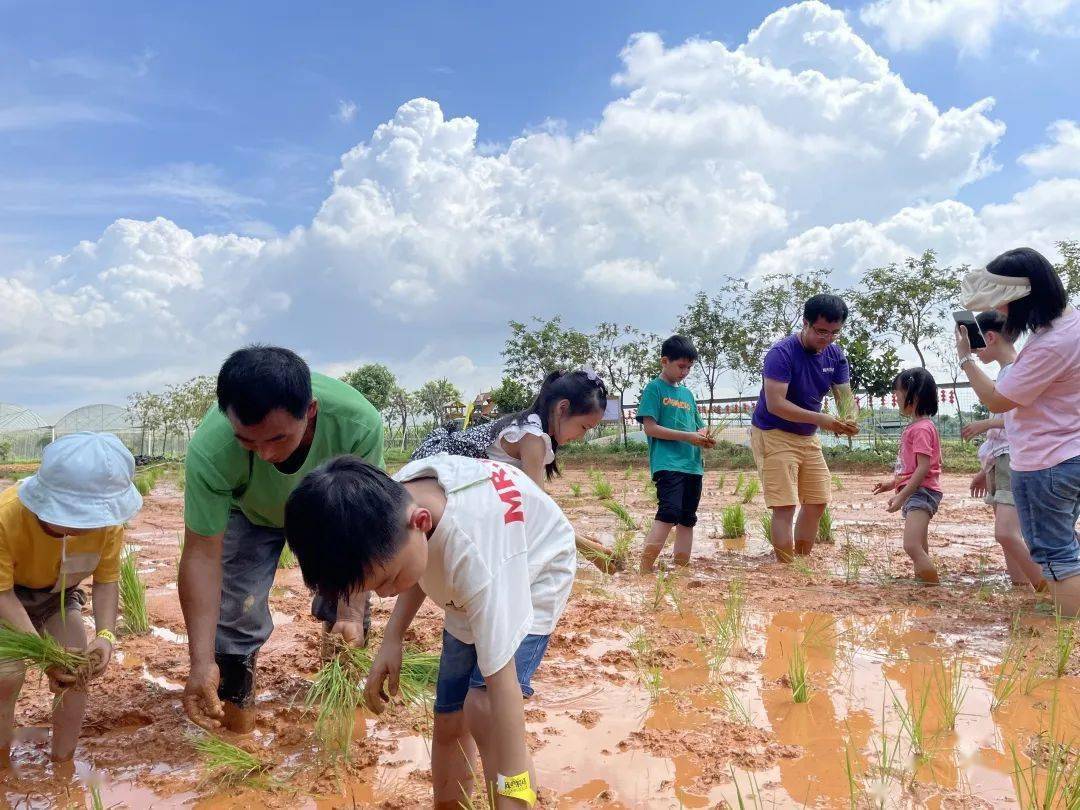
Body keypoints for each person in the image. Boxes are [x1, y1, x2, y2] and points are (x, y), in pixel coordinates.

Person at [284, 454, 575, 809]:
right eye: (374, 588)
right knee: (449, 717)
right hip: (468, 586)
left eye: (388, 581)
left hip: (533, 572)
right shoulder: (394, 503)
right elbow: (419, 558)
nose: (387, 594)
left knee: (482, 708)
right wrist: (392, 638)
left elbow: (504, 688)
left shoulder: (477, 556)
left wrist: (514, 786)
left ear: (420, 522)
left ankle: (515, 801)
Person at [179, 346, 384, 733]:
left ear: (310, 412)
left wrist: (350, 613)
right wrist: (200, 661)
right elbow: (202, 557)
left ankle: (337, 710)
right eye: (249, 443)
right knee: (237, 609)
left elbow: (361, 529)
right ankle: (236, 723)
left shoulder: (358, 425)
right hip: (250, 513)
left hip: (330, 509)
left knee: (346, 609)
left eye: (277, 438)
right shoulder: (211, 448)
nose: (267, 454)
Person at [0, 432, 142, 765]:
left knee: (76, 671)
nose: (84, 527)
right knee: (6, 675)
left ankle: (63, 768)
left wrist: (106, 637)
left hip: (57, 597)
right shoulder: (7, 517)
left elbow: (106, 581)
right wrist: (43, 651)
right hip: (6, 597)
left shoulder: (108, 525)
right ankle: (2, 766)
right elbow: (2, 593)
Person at [956, 247, 1080, 615]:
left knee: (1057, 555)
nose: (1003, 312)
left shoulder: (1050, 345)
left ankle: (1066, 642)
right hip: (1068, 453)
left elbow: (997, 401)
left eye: (1006, 304)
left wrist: (965, 358)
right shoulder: (1069, 325)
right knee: (1065, 545)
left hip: (1047, 463)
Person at [412, 369, 616, 570]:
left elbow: (540, 503)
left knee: (431, 552)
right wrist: (588, 550)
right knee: (432, 549)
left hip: (456, 480)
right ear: (562, 408)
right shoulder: (532, 438)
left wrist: (576, 536)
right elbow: (540, 512)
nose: (582, 436)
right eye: (584, 427)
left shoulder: (535, 429)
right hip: (438, 472)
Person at [750, 294, 860, 562]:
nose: (828, 338)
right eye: (821, 331)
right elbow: (776, 404)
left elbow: (844, 397)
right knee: (785, 506)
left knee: (817, 501)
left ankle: (801, 562)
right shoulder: (781, 353)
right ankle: (786, 569)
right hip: (773, 433)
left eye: (835, 333)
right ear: (805, 323)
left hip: (807, 436)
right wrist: (821, 419)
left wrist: (849, 419)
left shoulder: (835, 355)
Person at [962, 311, 1046, 592]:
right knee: (1010, 534)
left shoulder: (1014, 370)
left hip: (1014, 458)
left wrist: (985, 421)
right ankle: (1021, 591)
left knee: (1006, 532)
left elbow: (1018, 420)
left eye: (976, 346)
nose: (975, 352)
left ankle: (1049, 590)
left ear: (990, 337)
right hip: (1002, 459)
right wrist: (984, 470)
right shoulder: (1009, 370)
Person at [636, 335, 716, 573]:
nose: (685, 372)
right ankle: (644, 568)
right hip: (668, 463)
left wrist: (703, 435)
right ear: (664, 361)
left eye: (689, 368)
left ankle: (682, 569)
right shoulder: (654, 389)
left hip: (692, 465)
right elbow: (650, 428)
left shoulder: (688, 395)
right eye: (681, 366)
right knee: (669, 512)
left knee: (688, 517)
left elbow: (699, 426)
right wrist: (688, 436)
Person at [872, 369, 943, 584]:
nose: (897, 399)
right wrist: (891, 484)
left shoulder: (921, 429)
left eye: (899, 395)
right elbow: (911, 469)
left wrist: (901, 497)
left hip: (921, 493)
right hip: (918, 491)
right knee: (919, 544)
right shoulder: (918, 427)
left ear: (914, 396)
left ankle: (933, 587)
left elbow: (923, 469)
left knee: (911, 545)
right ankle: (923, 583)